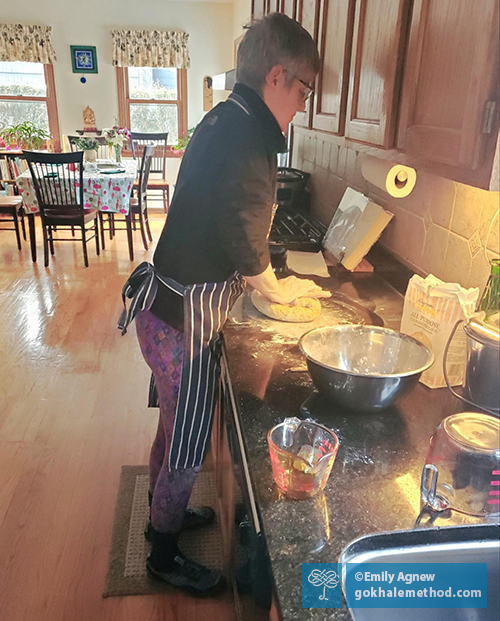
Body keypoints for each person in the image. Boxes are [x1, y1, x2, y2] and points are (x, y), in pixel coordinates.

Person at [119, 12, 329, 596]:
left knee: (173, 427)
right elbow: (245, 238)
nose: (304, 103)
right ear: (278, 77)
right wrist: (281, 290)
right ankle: (163, 551)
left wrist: (268, 277)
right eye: (304, 90)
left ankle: (165, 514)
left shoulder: (228, 117)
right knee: (187, 441)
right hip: (181, 320)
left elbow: (237, 223)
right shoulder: (248, 135)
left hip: (164, 308)